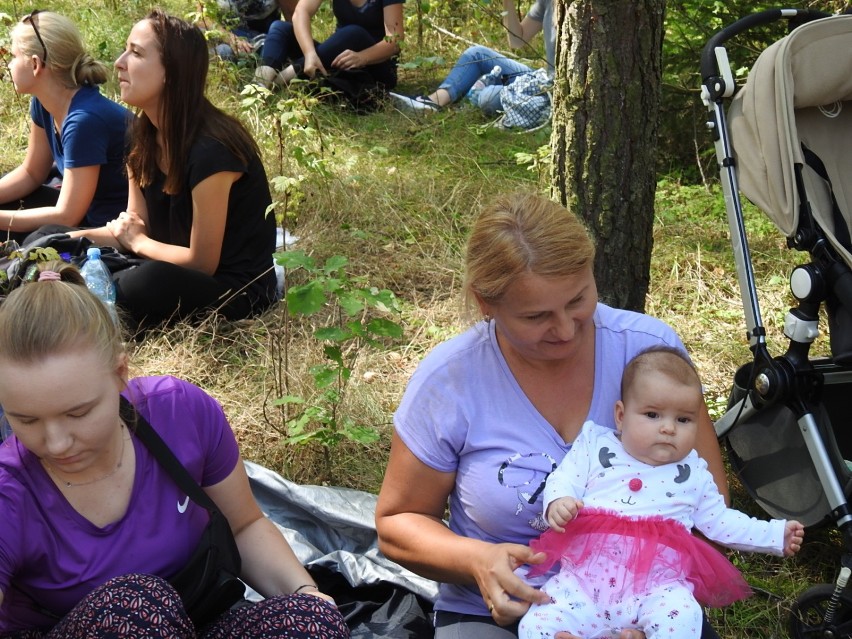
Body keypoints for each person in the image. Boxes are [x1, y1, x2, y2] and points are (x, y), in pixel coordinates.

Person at [374, 192, 730, 639]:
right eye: (536, 316)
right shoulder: (450, 382)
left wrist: (642, 606)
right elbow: (397, 522)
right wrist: (479, 563)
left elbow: (709, 505)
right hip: (494, 611)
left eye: (579, 301)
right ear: (486, 304)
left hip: (639, 601)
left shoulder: (647, 351)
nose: (564, 330)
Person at [0, 261, 349, 637]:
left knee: (311, 622)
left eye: (78, 413)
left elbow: (244, 525)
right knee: (136, 606)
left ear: (120, 373)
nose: (56, 443)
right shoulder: (9, 491)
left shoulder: (179, 413)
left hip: (197, 616)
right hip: (103, 625)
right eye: (26, 420)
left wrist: (306, 594)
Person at [517, 346, 805, 639]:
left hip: (656, 587)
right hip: (583, 581)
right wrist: (559, 500)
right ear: (620, 415)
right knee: (536, 624)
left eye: (683, 420)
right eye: (653, 415)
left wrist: (773, 535)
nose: (668, 428)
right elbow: (564, 478)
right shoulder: (596, 444)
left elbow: (721, 521)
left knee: (683, 617)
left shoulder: (694, 473)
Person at [70, 10, 278, 330]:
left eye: (136, 53)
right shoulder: (142, 134)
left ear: (171, 71)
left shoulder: (213, 149)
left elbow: (201, 263)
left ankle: (79, 304)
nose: (119, 62)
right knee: (53, 242)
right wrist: (70, 240)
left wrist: (138, 243)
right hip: (162, 261)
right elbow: (134, 225)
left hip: (230, 289)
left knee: (149, 281)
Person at [0, 11, 130, 243]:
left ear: (35, 64)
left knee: (35, 242)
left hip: (112, 228)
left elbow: (67, 215)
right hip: (83, 213)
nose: (8, 65)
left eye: (13, 56)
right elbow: (32, 173)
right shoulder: (43, 103)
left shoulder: (84, 121)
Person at [389, 0, 553, 114]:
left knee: (488, 98)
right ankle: (432, 103)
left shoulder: (578, 11)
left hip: (555, 88)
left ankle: (478, 92)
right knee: (476, 54)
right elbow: (517, 40)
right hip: (543, 78)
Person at [252, 0, 404, 91]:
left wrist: (362, 58)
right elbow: (300, 12)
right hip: (337, 59)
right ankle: (260, 84)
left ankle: (280, 81)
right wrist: (310, 53)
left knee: (354, 33)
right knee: (279, 27)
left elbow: (395, 41)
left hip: (376, 70)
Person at [198, 0, 298, 62]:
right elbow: (201, 18)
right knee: (224, 52)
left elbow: (294, 17)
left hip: (263, 41)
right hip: (224, 36)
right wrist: (231, 39)